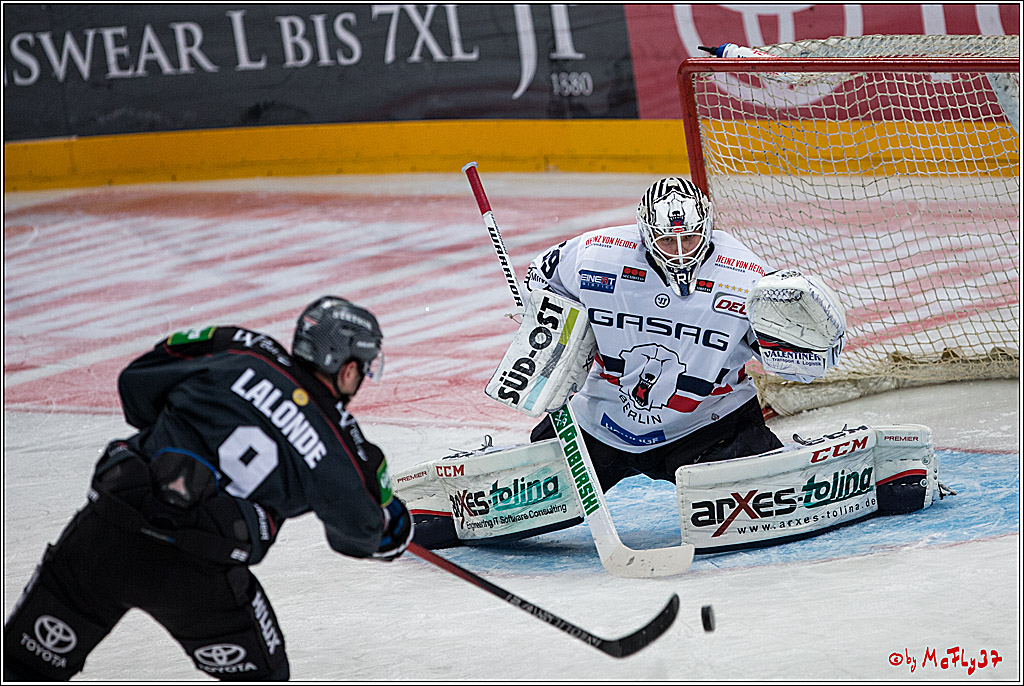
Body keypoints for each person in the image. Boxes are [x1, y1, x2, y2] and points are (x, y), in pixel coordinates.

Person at [3, 296, 413, 681]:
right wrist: (389, 525)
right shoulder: (341, 445)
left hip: (108, 534)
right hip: (198, 573)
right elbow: (361, 533)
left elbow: (135, 387)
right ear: (346, 369)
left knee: (21, 667)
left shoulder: (237, 348)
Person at [524, 176, 830, 490]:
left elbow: (785, 356)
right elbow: (539, 278)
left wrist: (805, 350)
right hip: (601, 419)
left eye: (691, 239)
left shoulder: (744, 275)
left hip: (707, 427)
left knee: (776, 495)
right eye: (667, 241)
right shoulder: (595, 255)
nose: (680, 253)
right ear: (645, 233)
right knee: (523, 497)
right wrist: (551, 332)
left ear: (707, 227)